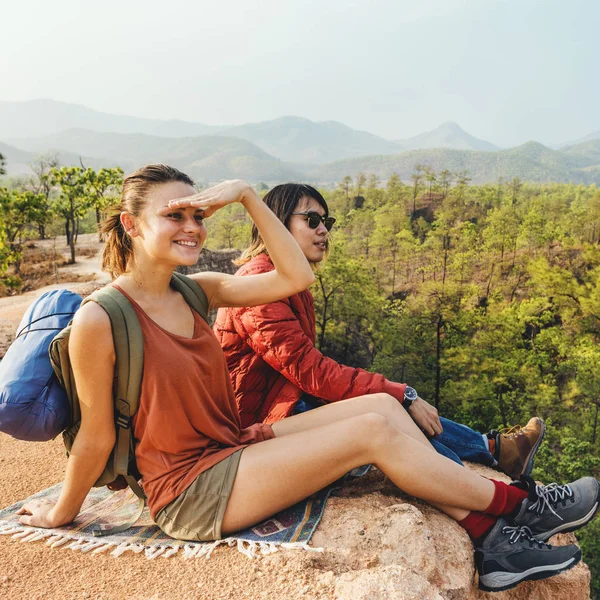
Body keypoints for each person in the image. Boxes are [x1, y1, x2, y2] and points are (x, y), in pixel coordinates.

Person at [16, 166, 598, 593]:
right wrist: (62, 512)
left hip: (232, 447)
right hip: (190, 490)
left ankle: (494, 548)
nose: (192, 227)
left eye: (197, 214)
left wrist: (246, 195)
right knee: (368, 434)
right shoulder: (103, 318)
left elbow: (293, 272)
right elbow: (94, 436)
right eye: (175, 215)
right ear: (131, 225)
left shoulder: (197, 291)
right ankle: (522, 506)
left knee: (383, 412)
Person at [214, 183, 543, 481]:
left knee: (376, 400)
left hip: (280, 402)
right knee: (383, 412)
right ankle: (474, 485)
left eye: (327, 222)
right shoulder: (256, 286)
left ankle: (494, 455)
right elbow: (309, 371)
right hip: (257, 422)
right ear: (276, 223)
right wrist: (402, 393)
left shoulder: (282, 279)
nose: (323, 231)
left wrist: (395, 392)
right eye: (311, 221)